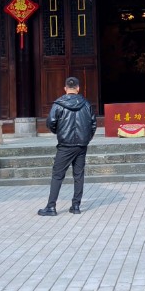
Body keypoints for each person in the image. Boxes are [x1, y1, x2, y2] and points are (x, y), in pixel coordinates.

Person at [40, 77, 96, 216]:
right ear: (78, 88)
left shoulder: (58, 104)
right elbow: (93, 124)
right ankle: (76, 206)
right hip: (81, 145)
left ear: (65, 88)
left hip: (65, 145)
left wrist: (59, 132)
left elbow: (50, 122)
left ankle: (51, 207)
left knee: (57, 175)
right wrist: (86, 138)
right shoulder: (86, 104)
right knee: (79, 175)